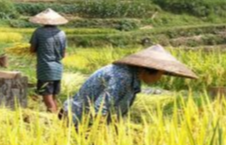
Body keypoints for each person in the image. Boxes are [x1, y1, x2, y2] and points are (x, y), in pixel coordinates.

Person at [61, 45, 198, 125]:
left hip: (85, 121)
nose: (160, 78)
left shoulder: (130, 76)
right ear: (147, 70)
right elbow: (99, 109)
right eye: (160, 74)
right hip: (78, 121)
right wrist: (104, 136)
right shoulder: (122, 77)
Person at [29, 9, 68, 113]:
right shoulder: (62, 33)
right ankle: (58, 118)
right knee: (53, 97)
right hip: (58, 69)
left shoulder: (39, 32)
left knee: (47, 96)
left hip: (45, 68)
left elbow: (32, 49)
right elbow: (64, 54)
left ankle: (53, 119)